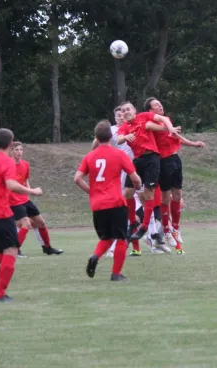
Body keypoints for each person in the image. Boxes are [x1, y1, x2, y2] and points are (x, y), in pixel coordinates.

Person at [74, 120, 142, 281]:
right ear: (111, 136)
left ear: (96, 138)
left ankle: (95, 256)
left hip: (98, 204)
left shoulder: (89, 156)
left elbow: (77, 178)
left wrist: (91, 192)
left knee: (106, 238)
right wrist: (134, 188)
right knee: (121, 238)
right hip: (116, 202)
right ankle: (116, 274)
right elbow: (135, 178)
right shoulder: (119, 155)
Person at [0, 128, 43, 302]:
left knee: (4, 254)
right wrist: (32, 190)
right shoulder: (7, 161)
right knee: (11, 251)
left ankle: (0, 294)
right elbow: (11, 185)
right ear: (11, 144)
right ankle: (0, 295)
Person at [143, 97, 205, 246]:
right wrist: (166, 126)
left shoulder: (167, 120)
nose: (160, 105)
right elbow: (151, 129)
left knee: (177, 196)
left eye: (160, 103)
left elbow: (176, 136)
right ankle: (166, 230)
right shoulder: (150, 124)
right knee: (165, 198)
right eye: (156, 105)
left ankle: (176, 228)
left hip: (175, 159)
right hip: (163, 162)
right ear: (150, 111)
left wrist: (193, 144)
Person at [116, 102, 178, 244]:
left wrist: (170, 129)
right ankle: (133, 222)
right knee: (128, 193)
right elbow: (119, 139)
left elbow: (162, 119)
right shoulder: (125, 127)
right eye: (123, 111)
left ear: (134, 110)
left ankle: (144, 227)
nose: (125, 112)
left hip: (152, 159)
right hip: (137, 161)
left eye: (128, 109)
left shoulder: (144, 117)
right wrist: (125, 137)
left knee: (148, 193)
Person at [8, 142, 63, 256]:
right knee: (26, 224)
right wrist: (32, 191)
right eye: (16, 150)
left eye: (21, 150)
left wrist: (31, 191)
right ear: (11, 151)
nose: (19, 152)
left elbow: (25, 180)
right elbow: (12, 186)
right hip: (13, 201)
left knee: (40, 222)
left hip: (24, 199)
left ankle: (47, 248)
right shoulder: (8, 166)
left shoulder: (25, 164)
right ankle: (15, 250)